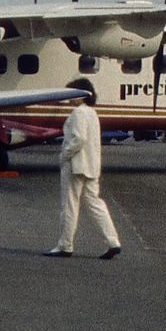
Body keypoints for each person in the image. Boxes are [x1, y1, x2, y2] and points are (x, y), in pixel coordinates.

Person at [44, 78, 122, 260]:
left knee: (69, 205)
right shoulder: (92, 113)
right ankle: (113, 241)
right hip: (92, 165)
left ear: (80, 94)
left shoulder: (78, 113)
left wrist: (64, 155)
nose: (69, 99)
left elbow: (78, 138)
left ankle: (65, 245)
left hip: (75, 164)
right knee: (95, 204)